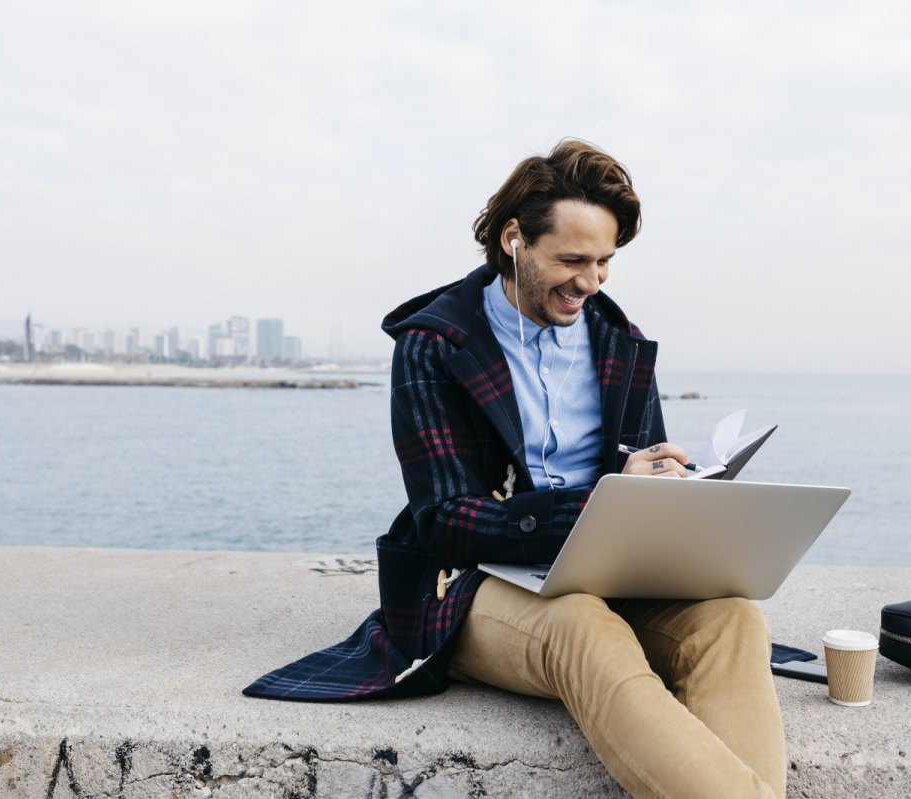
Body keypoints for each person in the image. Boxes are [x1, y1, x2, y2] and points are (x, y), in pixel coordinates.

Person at [244, 139, 786, 798]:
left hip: (610, 573)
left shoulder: (620, 341)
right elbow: (445, 521)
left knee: (734, 619)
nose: (590, 281)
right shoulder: (434, 346)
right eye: (572, 259)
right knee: (582, 624)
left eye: (606, 261)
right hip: (472, 585)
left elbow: (635, 482)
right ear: (513, 240)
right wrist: (599, 504)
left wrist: (673, 486)